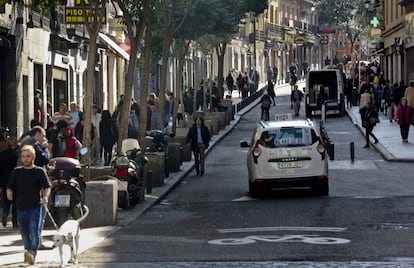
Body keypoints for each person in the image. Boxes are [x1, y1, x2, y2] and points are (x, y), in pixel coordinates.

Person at [7, 145, 51, 265]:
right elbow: (10, 185)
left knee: (34, 231)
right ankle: (28, 251)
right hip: (20, 207)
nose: (25, 159)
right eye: (23, 157)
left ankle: (32, 253)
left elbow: (47, 187)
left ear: (33, 157)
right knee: (25, 233)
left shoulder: (39, 171)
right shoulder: (17, 172)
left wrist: (45, 197)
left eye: (28, 156)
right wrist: (9, 192)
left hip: (35, 207)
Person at [0, 133, 18, 228]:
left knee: (6, 200)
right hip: (14, 180)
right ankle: (15, 222)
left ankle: (5, 214)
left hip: (4, 180)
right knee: (15, 202)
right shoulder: (15, 156)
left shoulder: (1, 155)